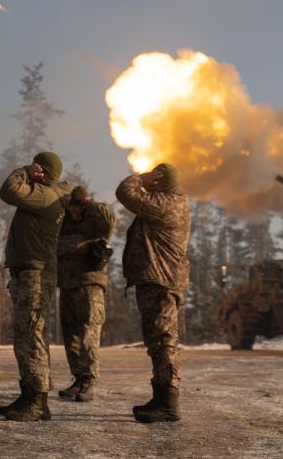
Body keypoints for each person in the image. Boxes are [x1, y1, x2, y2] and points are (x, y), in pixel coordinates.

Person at [0, 151, 73, 422]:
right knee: (29, 334)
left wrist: (24, 171)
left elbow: (8, 190)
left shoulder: (45, 195)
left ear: (43, 170)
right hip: (31, 272)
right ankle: (31, 394)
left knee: (31, 334)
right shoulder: (49, 195)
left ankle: (36, 399)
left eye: (38, 165)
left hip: (35, 273)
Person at [115, 163, 191, 423]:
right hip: (159, 279)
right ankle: (161, 397)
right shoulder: (171, 201)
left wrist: (138, 178)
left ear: (159, 182)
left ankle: (169, 402)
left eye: (153, 179)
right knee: (158, 340)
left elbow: (126, 193)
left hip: (161, 281)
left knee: (163, 340)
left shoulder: (166, 203)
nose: (148, 183)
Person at [56, 186, 116, 402]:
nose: (75, 213)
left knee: (89, 333)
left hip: (90, 285)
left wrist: (89, 203)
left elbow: (109, 220)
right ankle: (79, 379)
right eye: (72, 208)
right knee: (70, 334)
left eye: (78, 207)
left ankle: (89, 380)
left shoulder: (95, 221)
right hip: (67, 284)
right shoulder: (64, 222)